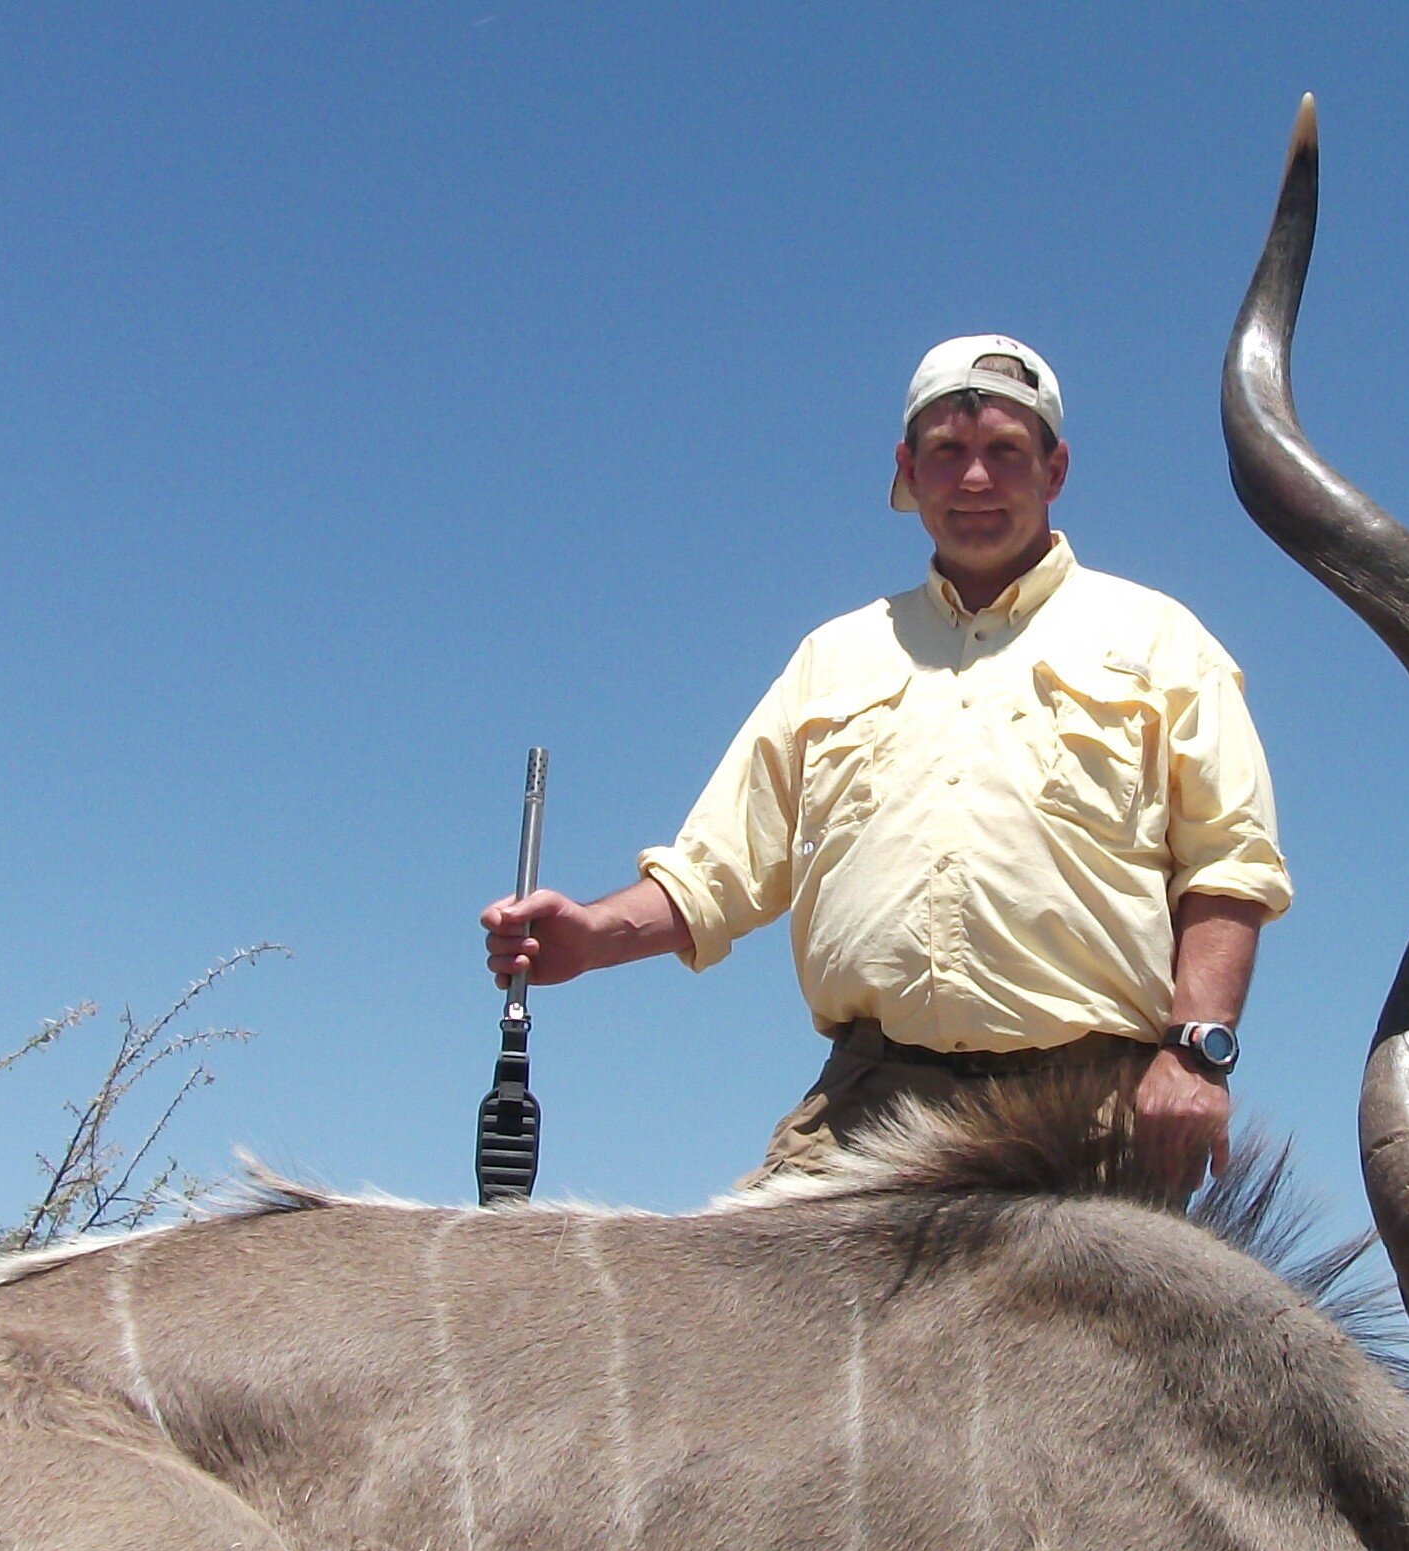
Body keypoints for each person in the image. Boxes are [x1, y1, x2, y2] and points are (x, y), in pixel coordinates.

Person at [482, 335, 1287, 1191]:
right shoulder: (833, 657)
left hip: (1089, 1114)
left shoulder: (1162, 641)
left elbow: (1229, 864)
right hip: (871, 1108)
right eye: (948, 452)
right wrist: (589, 937)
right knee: (720, 1314)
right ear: (908, 469)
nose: (976, 480)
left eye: (1006, 453)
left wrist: (1199, 1054)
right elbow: (719, 872)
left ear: (1055, 472)